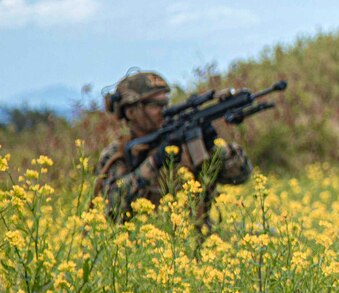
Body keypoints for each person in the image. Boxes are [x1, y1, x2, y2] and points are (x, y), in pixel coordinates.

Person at [94, 71, 252, 227]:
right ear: (131, 112)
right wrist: (154, 162)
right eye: (156, 105)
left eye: (166, 103)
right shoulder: (117, 154)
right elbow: (110, 207)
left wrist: (214, 145)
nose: (163, 110)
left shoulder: (184, 142)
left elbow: (241, 174)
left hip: (197, 244)